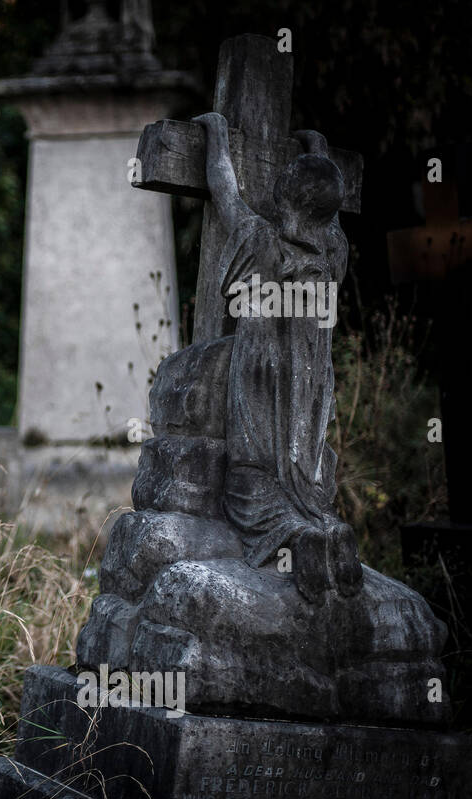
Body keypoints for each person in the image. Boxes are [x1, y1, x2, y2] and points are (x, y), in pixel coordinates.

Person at [193, 110, 362, 604]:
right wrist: (319, 148)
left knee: (252, 473)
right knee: (303, 461)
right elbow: (330, 204)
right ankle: (321, 525)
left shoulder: (260, 239)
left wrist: (216, 135)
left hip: (261, 370)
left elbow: (224, 189)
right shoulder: (332, 250)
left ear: (281, 197)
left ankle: (293, 534)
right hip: (309, 376)